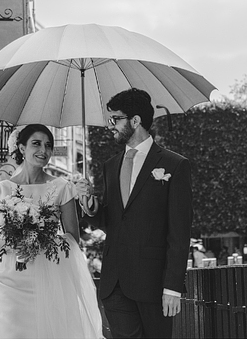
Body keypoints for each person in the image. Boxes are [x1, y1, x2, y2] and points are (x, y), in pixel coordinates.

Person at [76, 88, 193, 339]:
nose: (110, 126)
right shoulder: (110, 166)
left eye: (114, 119)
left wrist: (172, 287)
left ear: (135, 121)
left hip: (154, 285)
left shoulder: (175, 165)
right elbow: (113, 221)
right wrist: (89, 204)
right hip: (114, 283)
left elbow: (179, 233)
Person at [0, 124, 103, 338]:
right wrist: (19, 238)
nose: (44, 150)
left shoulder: (62, 187)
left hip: (51, 277)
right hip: (10, 282)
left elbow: (72, 238)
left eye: (48, 146)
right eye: (36, 144)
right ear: (22, 148)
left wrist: (40, 239)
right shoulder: (1, 189)